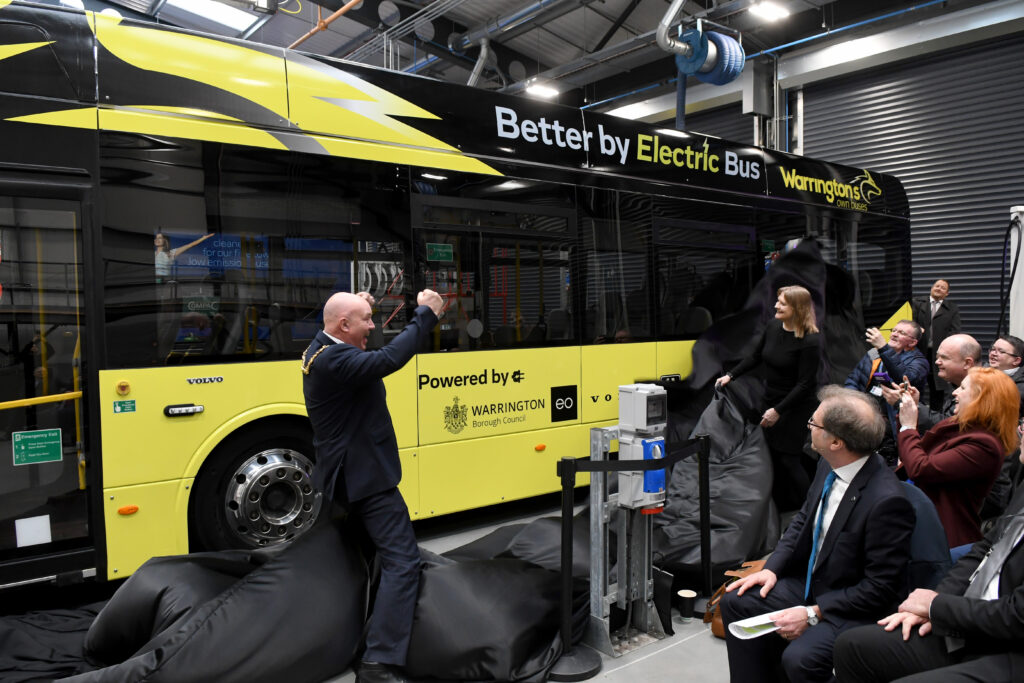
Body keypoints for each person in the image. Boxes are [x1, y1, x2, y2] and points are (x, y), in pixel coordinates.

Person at [720, 386, 915, 683]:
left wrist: (814, 613)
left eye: (813, 423)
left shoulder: (887, 502)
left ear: (836, 441)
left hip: (848, 603)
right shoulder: (829, 463)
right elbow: (802, 521)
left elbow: (880, 588)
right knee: (737, 600)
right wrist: (772, 569)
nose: (808, 426)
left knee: (801, 659)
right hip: (813, 583)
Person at [302, 288, 444, 683]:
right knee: (402, 561)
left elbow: (345, 324)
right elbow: (390, 358)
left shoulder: (321, 345)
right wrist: (425, 316)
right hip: (367, 478)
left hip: (344, 475)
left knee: (362, 560)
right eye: (366, 320)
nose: (373, 325)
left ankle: (351, 638)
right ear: (342, 326)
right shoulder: (336, 360)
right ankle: (379, 663)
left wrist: (356, 304)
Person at [832, 450, 1024, 682]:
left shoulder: (981, 445)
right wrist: (937, 599)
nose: (1020, 430)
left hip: (1010, 648)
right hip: (973, 618)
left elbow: (1016, 616)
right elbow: (987, 546)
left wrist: (937, 607)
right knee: (851, 646)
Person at [716, 285, 821, 510]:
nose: (776, 306)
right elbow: (755, 357)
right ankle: (782, 506)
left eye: (782, 303)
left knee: (789, 459)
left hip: (795, 407)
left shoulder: (810, 341)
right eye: (778, 301)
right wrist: (731, 376)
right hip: (771, 401)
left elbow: (805, 384)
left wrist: (778, 411)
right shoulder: (773, 327)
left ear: (797, 308)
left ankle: (811, 510)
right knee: (772, 456)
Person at [895, 366, 1017, 548]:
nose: (955, 393)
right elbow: (914, 453)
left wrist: (909, 428)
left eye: (962, 388)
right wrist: (913, 409)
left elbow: (921, 468)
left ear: (981, 398)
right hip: (923, 524)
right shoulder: (962, 427)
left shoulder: (984, 446)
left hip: (942, 539)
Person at [844, 320, 928, 465]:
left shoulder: (919, 362)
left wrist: (884, 348)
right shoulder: (874, 353)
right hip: (864, 416)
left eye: (901, 333)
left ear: (912, 342)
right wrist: (854, 405)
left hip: (891, 424)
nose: (894, 334)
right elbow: (853, 379)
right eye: (894, 331)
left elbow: (904, 377)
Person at [880, 333, 981, 431]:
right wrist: (914, 403)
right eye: (938, 357)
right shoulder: (959, 382)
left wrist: (906, 404)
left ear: (967, 363)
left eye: (944, 358)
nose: (937, 362)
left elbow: (949, 426)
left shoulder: (982, 389)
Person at [911, 279, 961, 410]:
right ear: (931, 288)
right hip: (918, 351)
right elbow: (910, 322)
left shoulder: (951, 309)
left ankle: (935, 416)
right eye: (937, 286)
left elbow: (955, 331)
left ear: (947, 293)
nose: (939, 289)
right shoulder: (917, 303)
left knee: (937, 389)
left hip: (939, 355)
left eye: (943, 288)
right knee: (915, 384)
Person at [987, 334, 1024, 416]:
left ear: (1016, 360)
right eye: (993, 349)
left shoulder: (1020, 386)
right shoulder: (980, 375)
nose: (993, 353)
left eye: (1001, 351)